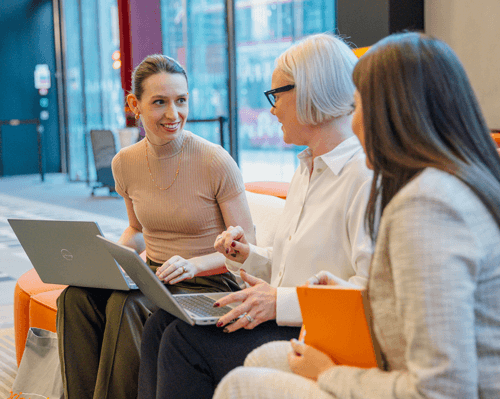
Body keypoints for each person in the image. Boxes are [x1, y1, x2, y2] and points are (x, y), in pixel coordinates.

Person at [213, 32, 500, 399]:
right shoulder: (453, 185)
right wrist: (341, 294)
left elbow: (441, 388)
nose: (351, 121)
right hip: (397, 367)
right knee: (263, 359)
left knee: (240, 385)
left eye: (357, 105)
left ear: (391, 114)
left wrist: (331, 375)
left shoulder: (427, 208)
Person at [138, 33, 374, 399]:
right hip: (284, 318)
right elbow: (285, 268)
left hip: (316, 334)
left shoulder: (363, 176)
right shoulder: (308, 169)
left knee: (184, 342)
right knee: (159, 326)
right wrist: (247, 256)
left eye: (276, 94)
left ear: (309, 91)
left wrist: (279, 303)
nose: (272, 109)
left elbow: (372, 291)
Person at [56, 54, 255, 399]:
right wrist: (113, 256)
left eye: (181, 101)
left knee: (126, 306)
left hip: (209, 280)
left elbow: (248, 246)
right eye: (159, 102)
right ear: (135, 104)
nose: (173, 114)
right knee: (75, 298)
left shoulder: (214, 160)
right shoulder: (124, 163)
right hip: (153, 275)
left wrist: (193, 264)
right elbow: (135, 228)